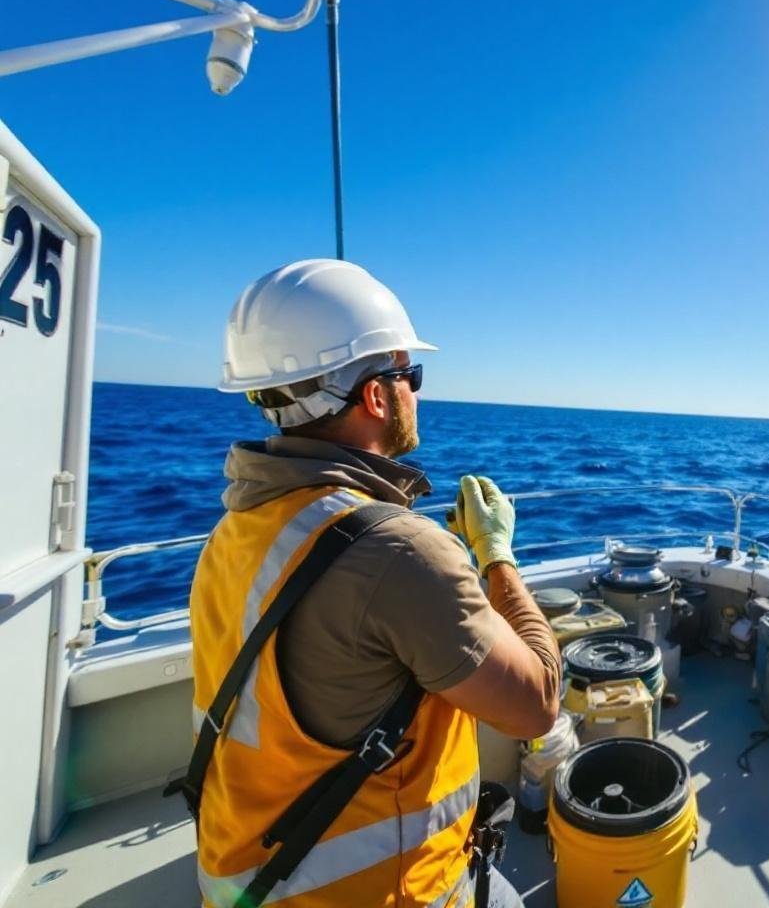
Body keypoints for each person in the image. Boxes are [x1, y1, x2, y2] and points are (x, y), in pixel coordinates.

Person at [186, 258, 560, 908]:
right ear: (377, 397)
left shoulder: (235, 531)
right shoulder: (401, 551)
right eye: (410, 374)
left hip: (243, 876)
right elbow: (537, 703)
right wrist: (496, 554)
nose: (417, 391)